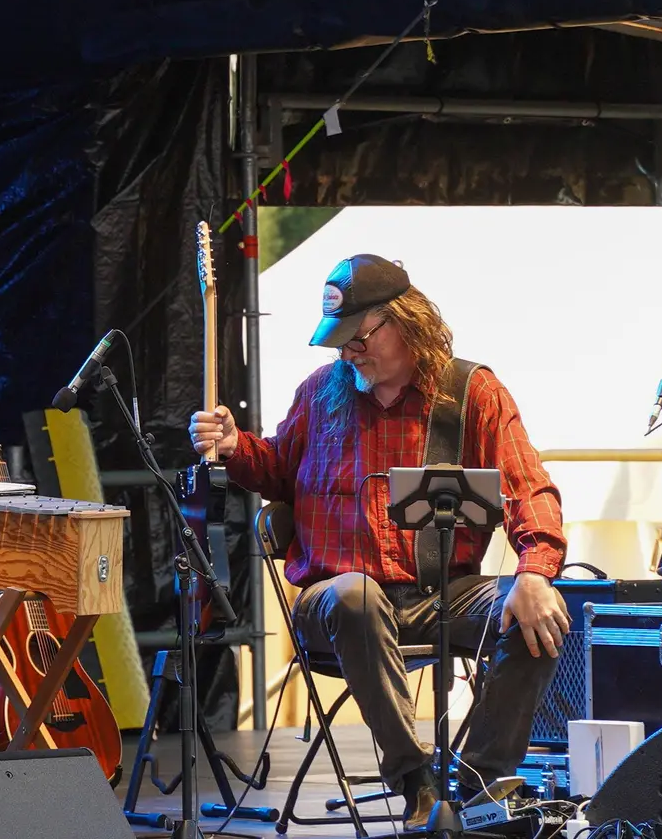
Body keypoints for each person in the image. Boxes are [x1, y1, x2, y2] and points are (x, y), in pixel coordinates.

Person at [189, 254, 569, 829]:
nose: (347, 353)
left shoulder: (473, 393)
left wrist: (535, 572)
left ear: (404, 322)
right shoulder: (320, 393)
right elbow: (274, 469)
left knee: (541, 612)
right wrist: (234, 443)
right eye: (338, 341)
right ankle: (415, 781)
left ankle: (475, 785)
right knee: (356, 596)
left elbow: (529, 487)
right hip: (335, 602)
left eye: (358, 338)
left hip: (443, 591)